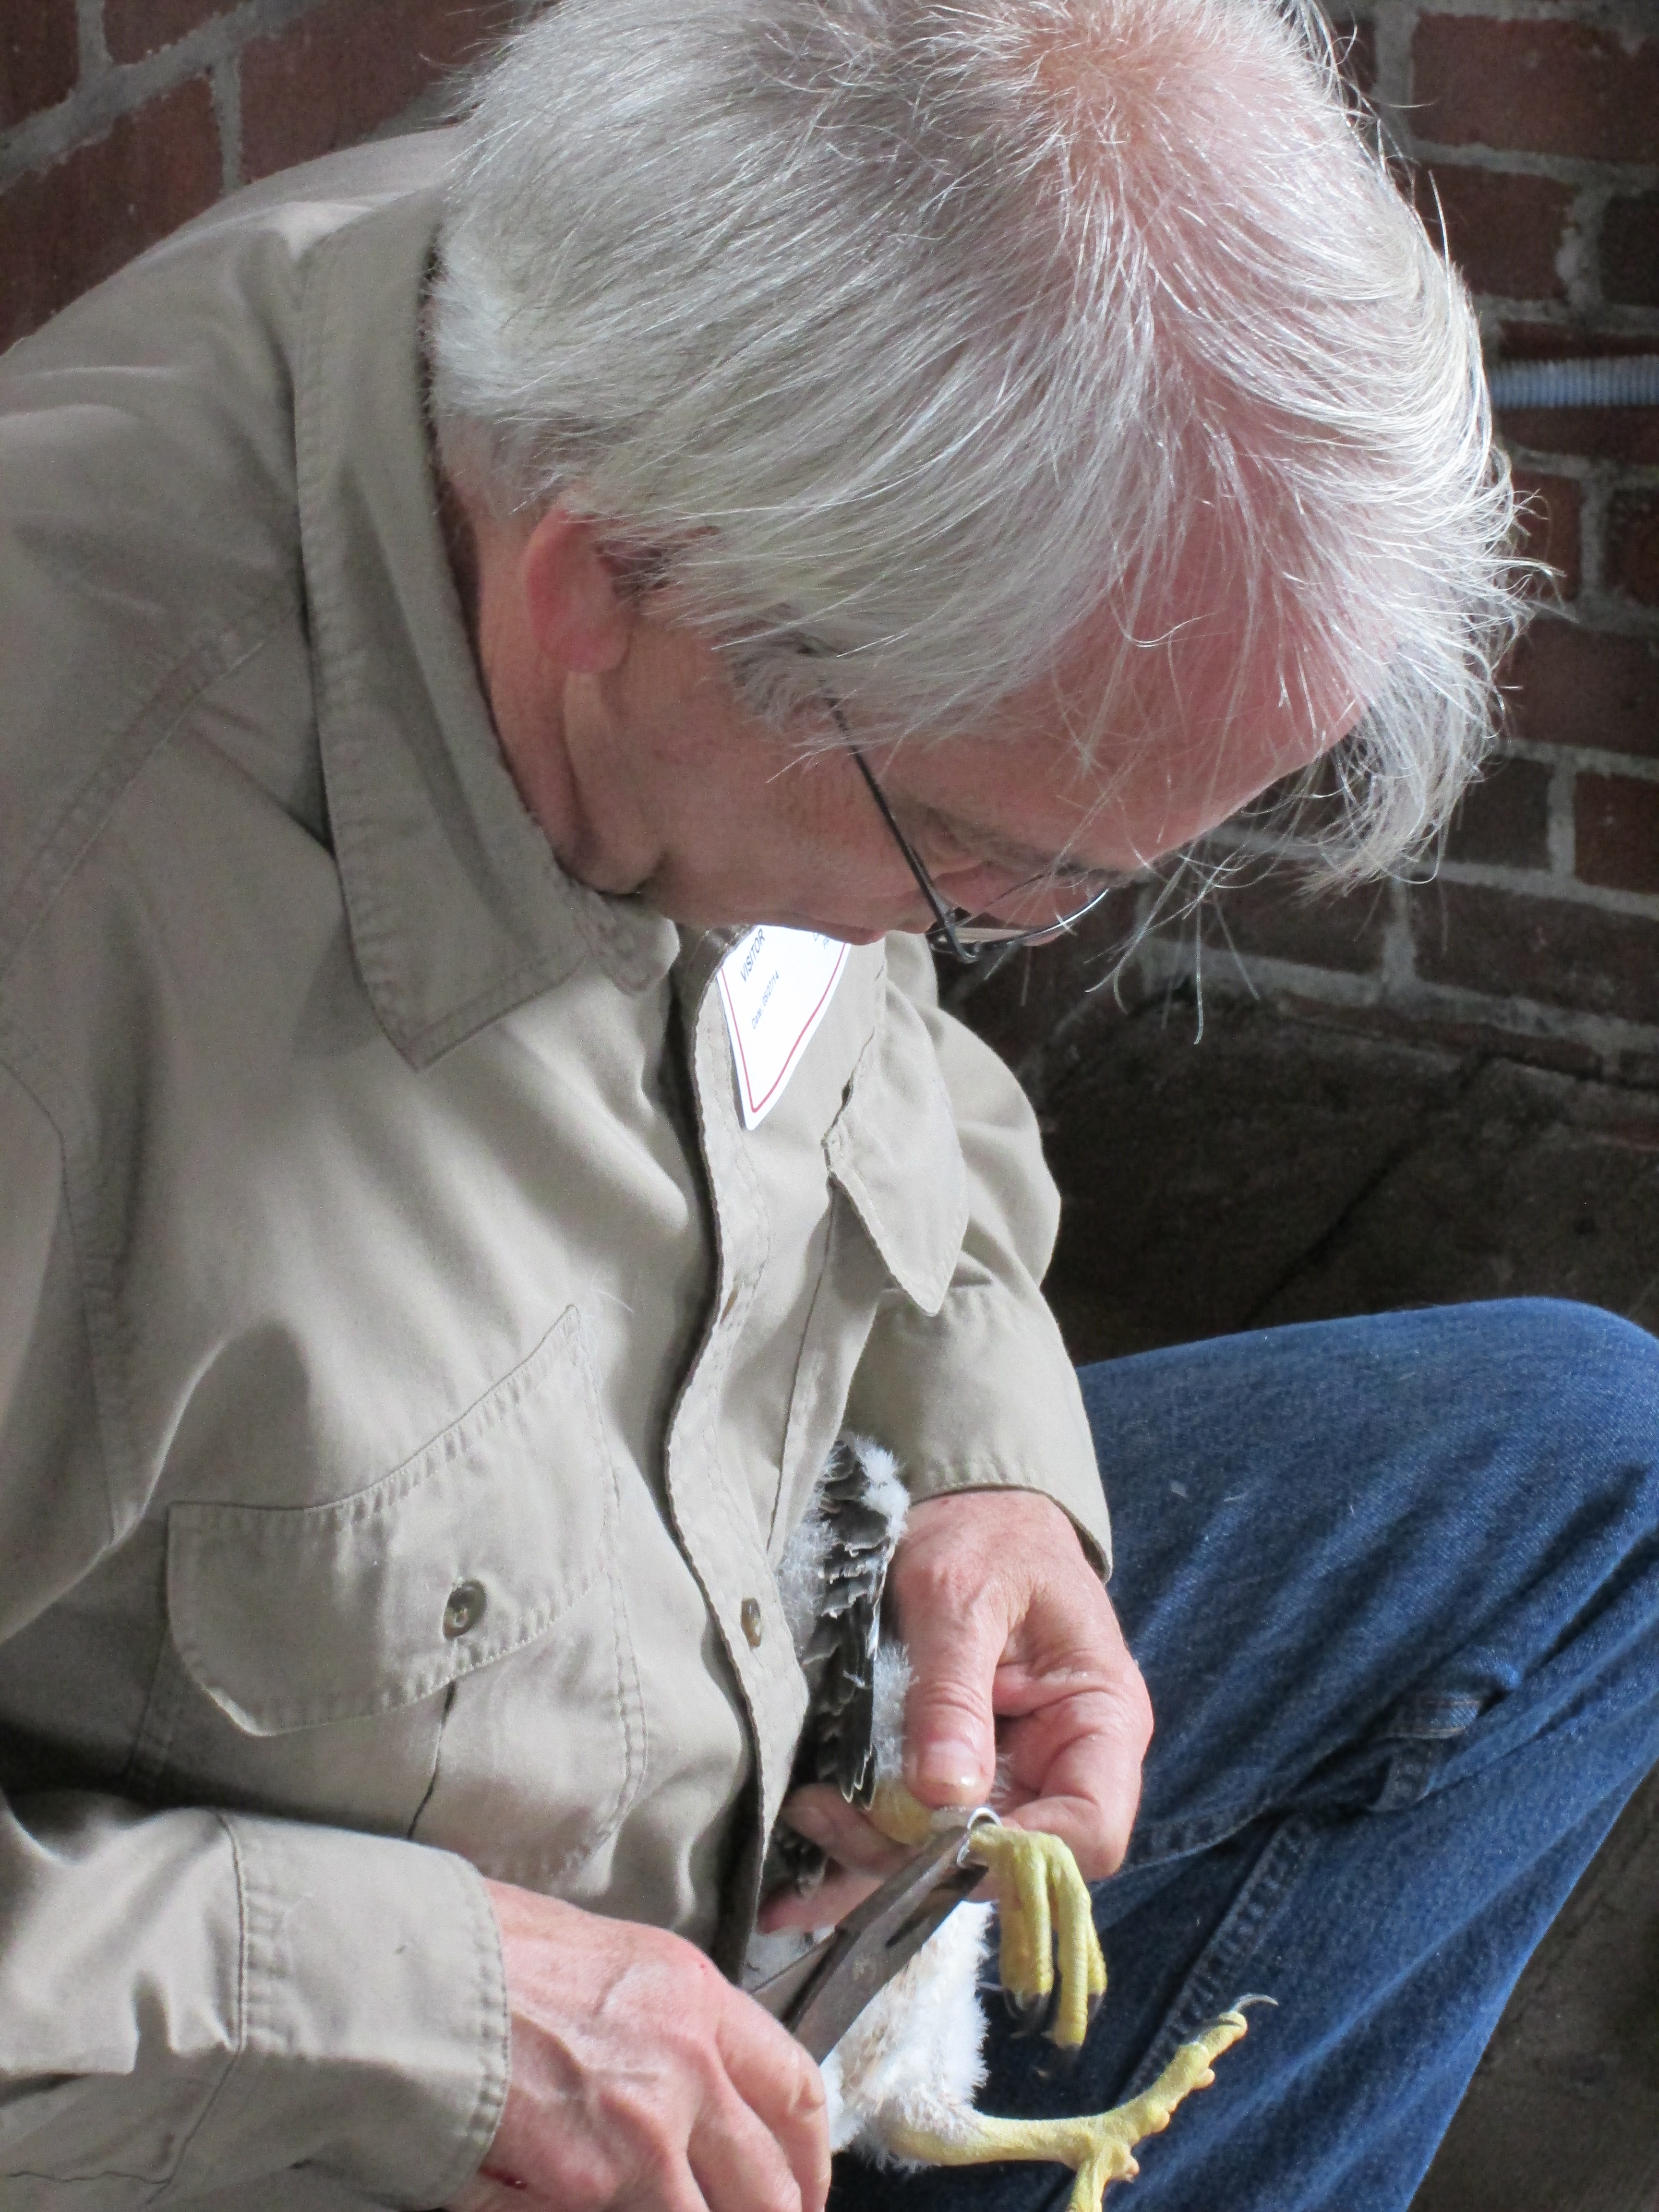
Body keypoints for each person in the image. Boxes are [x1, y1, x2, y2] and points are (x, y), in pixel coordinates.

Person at [0, 2, 1653, 2210]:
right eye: (1002, 856)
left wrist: (992, 1481)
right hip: (308, 2103)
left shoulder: (696, 340)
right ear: (612, 587)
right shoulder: (68, 896)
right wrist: (430, 2012)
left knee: (1572, 1475)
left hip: (742, 1769)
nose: (1013, 935)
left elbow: (859, 1045)